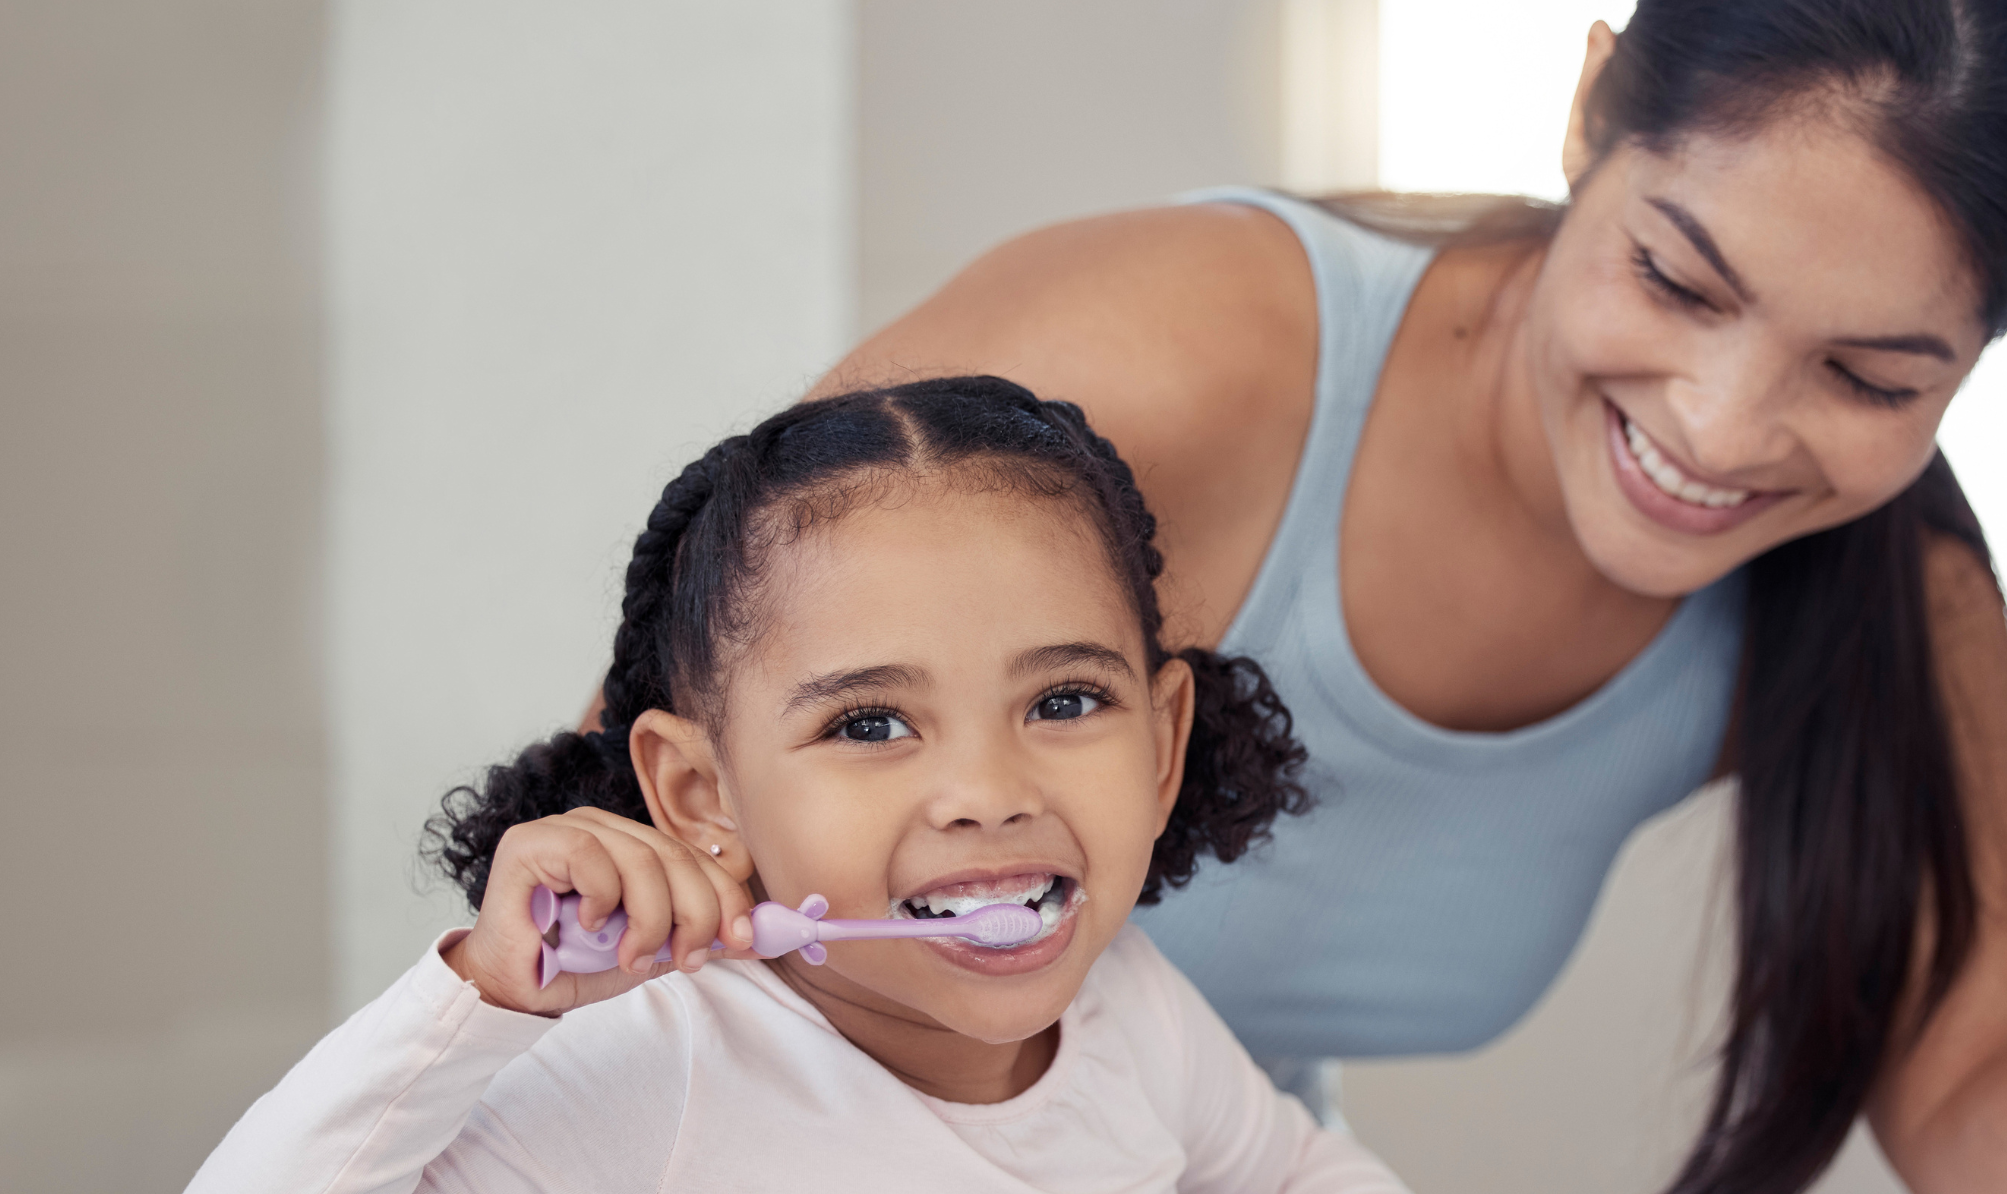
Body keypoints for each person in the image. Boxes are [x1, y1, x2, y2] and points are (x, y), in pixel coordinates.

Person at [830, 0, 2007, 1185]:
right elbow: (655, 791)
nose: (1721, 432)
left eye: (1868, 375)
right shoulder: (1161, 367)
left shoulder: (1885, 589)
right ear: (1592, 108)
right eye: (1674, 275)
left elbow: (1994, 1064)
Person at [187, 377, 1392, 1190]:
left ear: (1164, 739)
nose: (985, 790)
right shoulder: (657, 1060)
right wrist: (487, 997)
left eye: (1064, 702)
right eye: (871, 723)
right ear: (703, 796)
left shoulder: (1134, 1013)